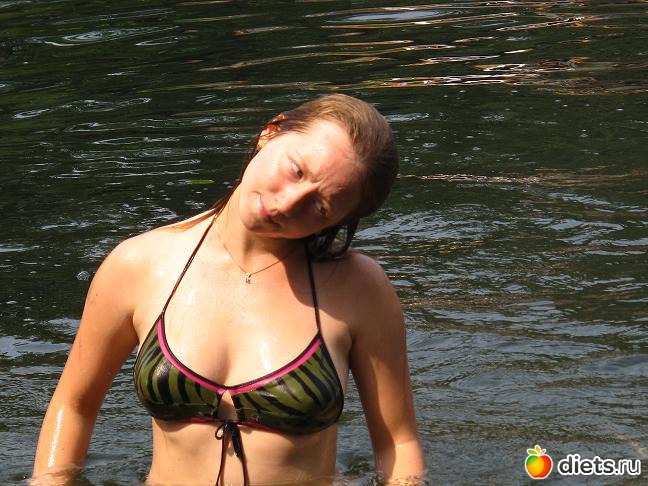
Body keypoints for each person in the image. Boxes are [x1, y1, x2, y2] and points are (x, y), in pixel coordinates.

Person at [33, 94, 426, 485]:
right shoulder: (139, 265)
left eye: (321, 206)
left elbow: (398, 444)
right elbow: (75, 404)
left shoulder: (359, 289)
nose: (289, 203)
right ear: (271, 132)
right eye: (296, 170)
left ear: (336, 221)